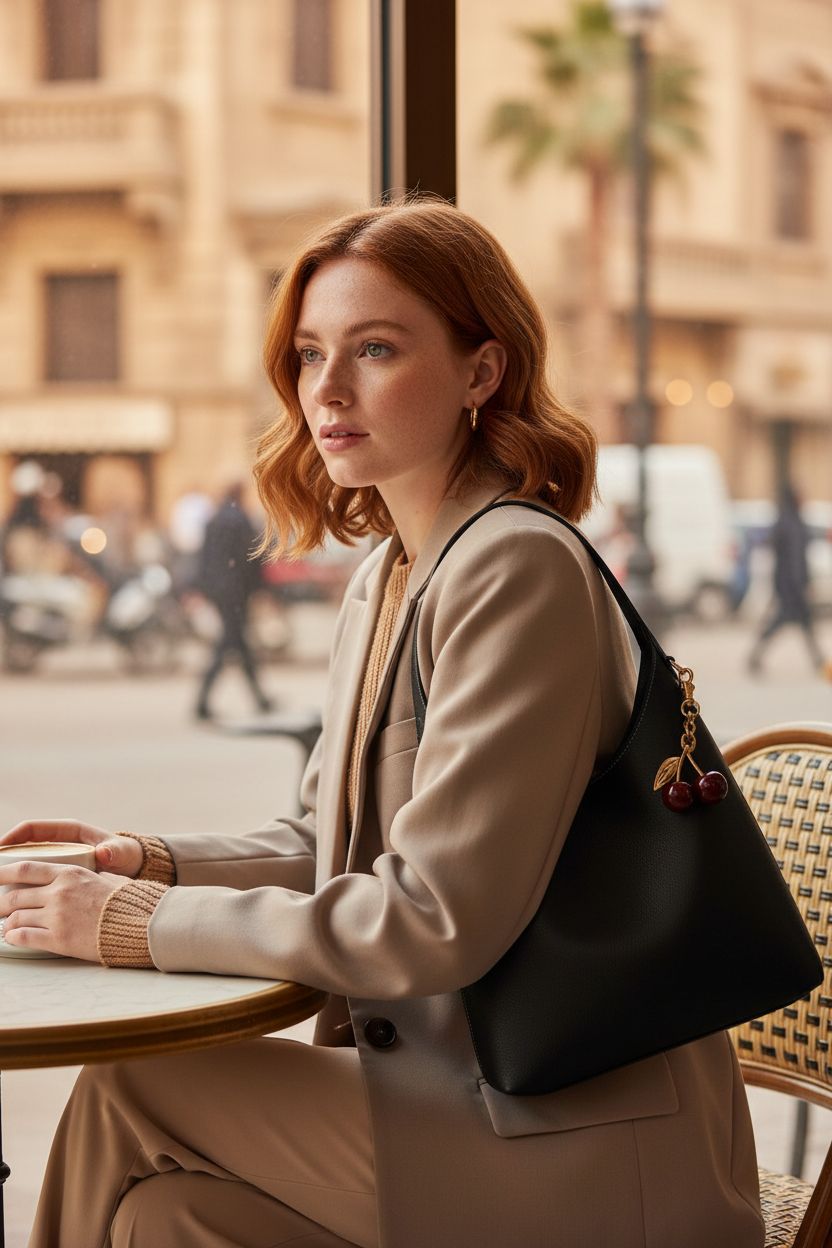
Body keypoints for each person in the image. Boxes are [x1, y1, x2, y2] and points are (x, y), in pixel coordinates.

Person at [0, 200, 763, 1248]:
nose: (327, 387)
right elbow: (329, 847)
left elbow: (430, 919)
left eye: (375, 348)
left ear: (480, 373)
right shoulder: (389, 573)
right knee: (165, 1219)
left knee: (131, 1088)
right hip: (467, 1103)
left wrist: (126, 923)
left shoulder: (516, 568)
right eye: (310, 353)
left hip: (583, 1136)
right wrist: (147, 864)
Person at [193, 480, 274, 719]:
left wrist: (206, 588)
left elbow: (204, 559)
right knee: (230, 642)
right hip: (236, 592)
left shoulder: (214, 520)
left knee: (236, 643)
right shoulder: (239, 520)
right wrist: (260, 588)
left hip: (220, 591)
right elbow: (251, 556)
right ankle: (202, 702)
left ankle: (260, 698)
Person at [748, 482, 827, 675]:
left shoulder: (786, 520)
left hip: (787, 585)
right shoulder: (791, 524)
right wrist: (801, 585)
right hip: (792, 586)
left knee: (803, 625)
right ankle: (819, 662)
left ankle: (819, 662)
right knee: (786, 623)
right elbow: (794, 559)